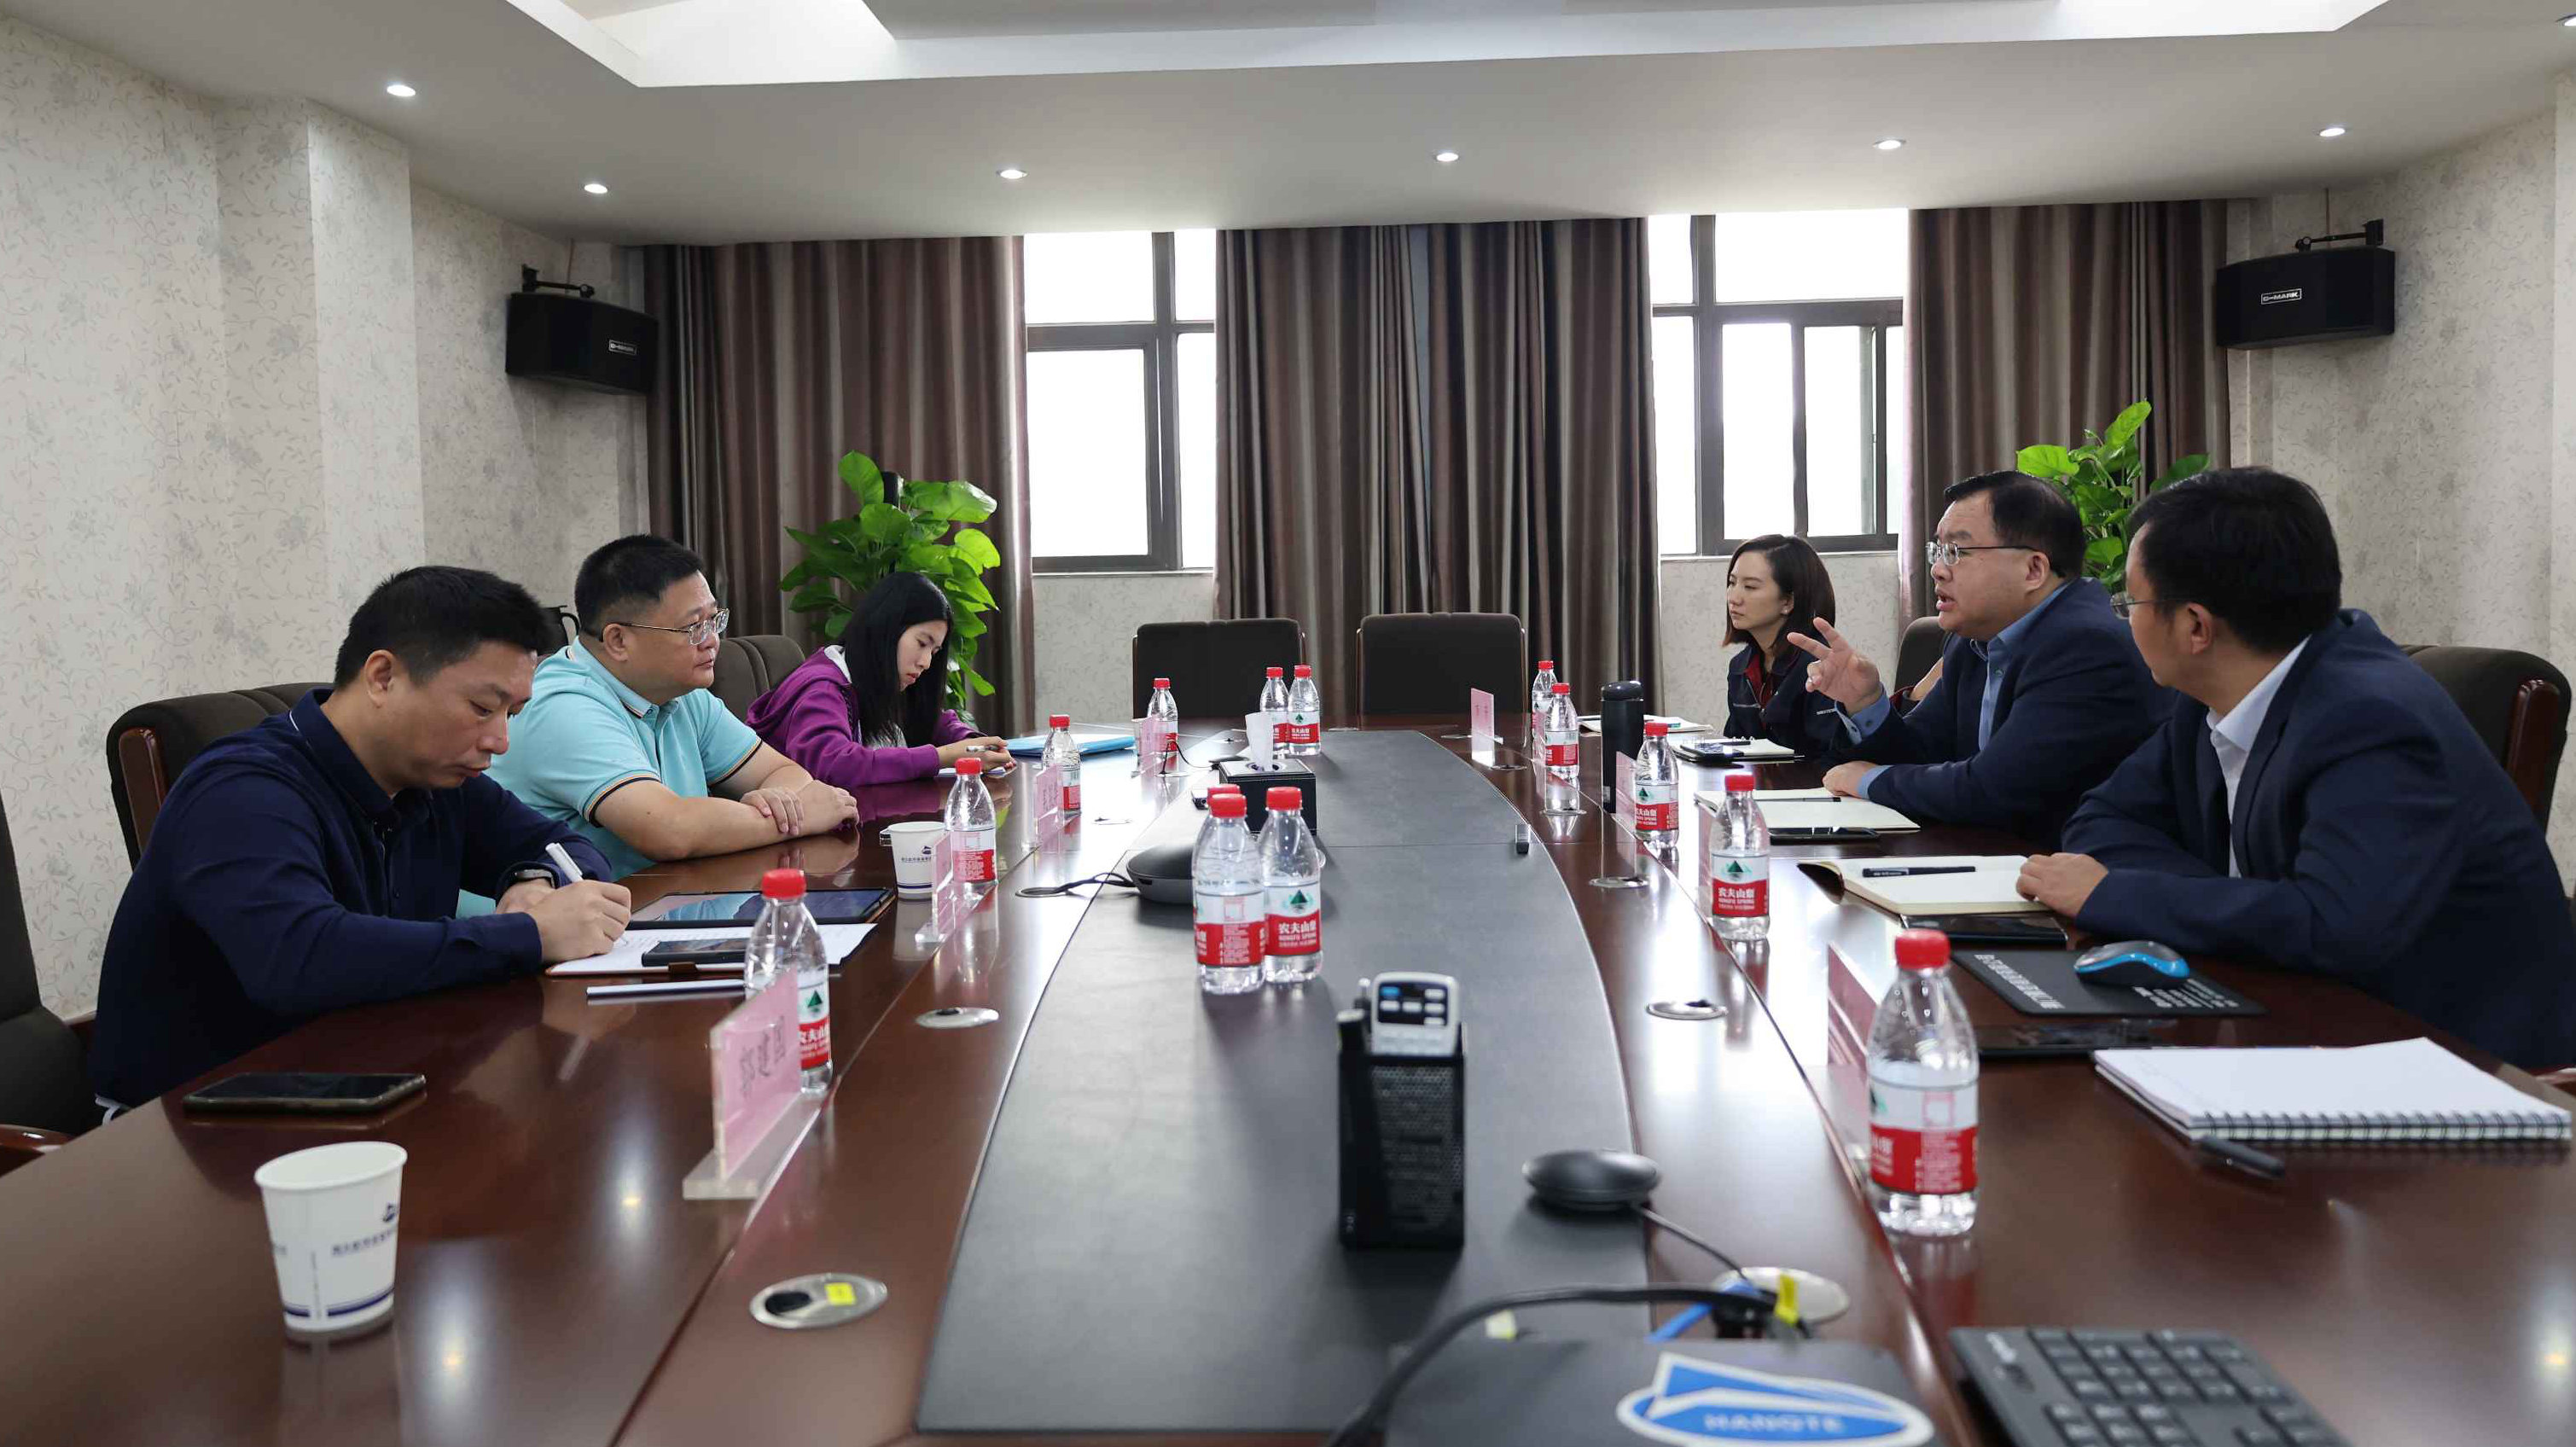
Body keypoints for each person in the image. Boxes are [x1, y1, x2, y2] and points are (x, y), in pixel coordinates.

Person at [2021, 468, 2576, 1070]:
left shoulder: (2371, 718)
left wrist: (2119, 894)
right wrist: (2238, 907)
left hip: (2449, 1064)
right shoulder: (2213, 693)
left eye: (2131, 603)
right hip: (2293, 1010)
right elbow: (2100, 818)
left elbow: (2335, 928)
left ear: (2195, 626)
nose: (2125, 620)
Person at [89, 567, 631, 1109]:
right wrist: (528, 934)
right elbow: (299, 960)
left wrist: (534, 880)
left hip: (373, 1077)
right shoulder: (243, 791)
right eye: (482, 709)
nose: (500, 740)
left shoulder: (437, 779)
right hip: (200, 1117)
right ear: (382, 677)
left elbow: (567, 848)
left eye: (511, 714)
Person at [1787, 470, 2166, 846]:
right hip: (1992, 858)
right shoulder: (1971, 640)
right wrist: (1866, 703)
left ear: (2033, 569)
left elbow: (1995, 789)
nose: (1937, 570)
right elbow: (1919, 754)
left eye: (1957, 551)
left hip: (2075, 866)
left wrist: (1868, 780)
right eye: (1938, 550)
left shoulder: (2085, 645)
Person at [488, 535, 858, 878]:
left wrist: (777, 806)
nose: (712, 641)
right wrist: (797, 818)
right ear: (618, 640)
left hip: (664, 902)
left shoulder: (679, 691)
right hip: (553, 921)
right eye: (693, 627)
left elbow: (784, 772)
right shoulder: (563, 706)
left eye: (714, 620)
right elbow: (669, 831)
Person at [747, 572, 1011, 788]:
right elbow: (835, 766)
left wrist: (974, 743)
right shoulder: (823, 687)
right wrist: (944, 756)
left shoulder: (878, 677)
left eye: (934, 652)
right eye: (922, 643)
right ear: (886, 629)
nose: (926, 662)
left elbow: (932, 720)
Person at [1721, 534, 1844, 752]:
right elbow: (1735, 747)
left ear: (1787, 601)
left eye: (1750, 587)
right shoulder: (1740, 667)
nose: (1733, 597)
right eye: (1732, 583)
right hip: (1759, 775)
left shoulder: (1820, 666)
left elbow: (1832, 756)